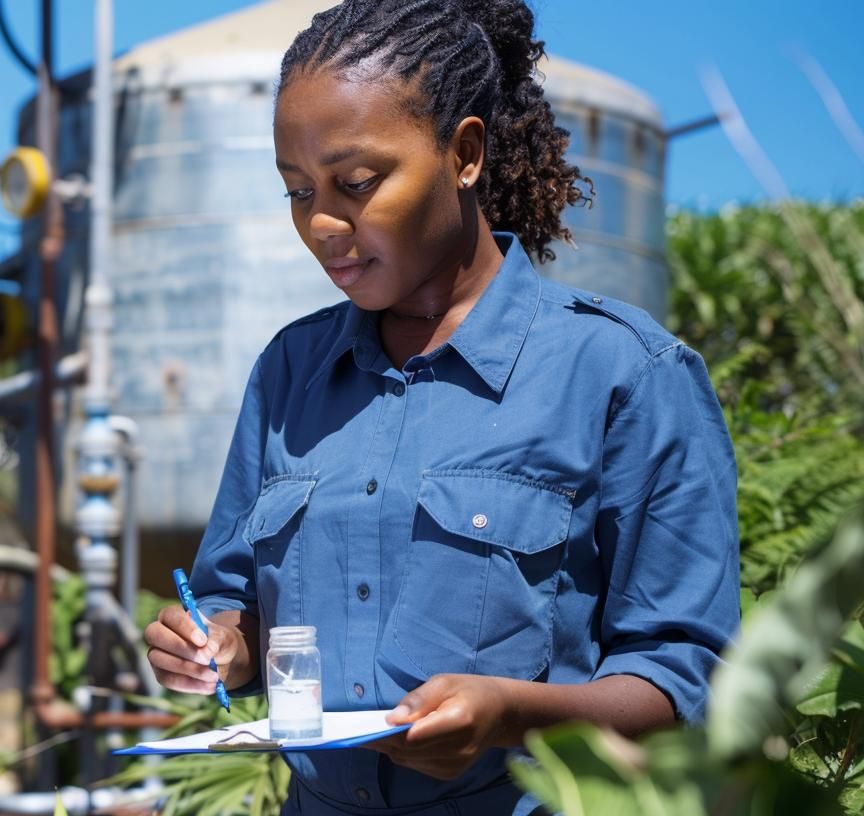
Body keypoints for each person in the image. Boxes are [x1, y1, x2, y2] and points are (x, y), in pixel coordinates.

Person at [141, 0, 741, 813]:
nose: (321, 223)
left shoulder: (622, 374)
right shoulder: (290, 372)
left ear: (463, 154)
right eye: (296, 190)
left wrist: (512, 717)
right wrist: (215, 646)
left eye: (357, 183)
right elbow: (232, 596)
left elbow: (685, 677)